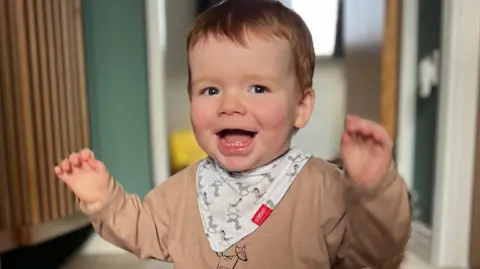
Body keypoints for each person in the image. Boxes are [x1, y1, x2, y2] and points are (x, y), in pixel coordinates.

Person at [54, 0, 411, 268]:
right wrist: (105, 200)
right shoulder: (184, 191)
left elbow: (375, 253)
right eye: (211, 91)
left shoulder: (322, 187)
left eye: (257, 88)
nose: (230, 105)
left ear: (301, 107)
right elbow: (143, 229)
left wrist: (374, 189)